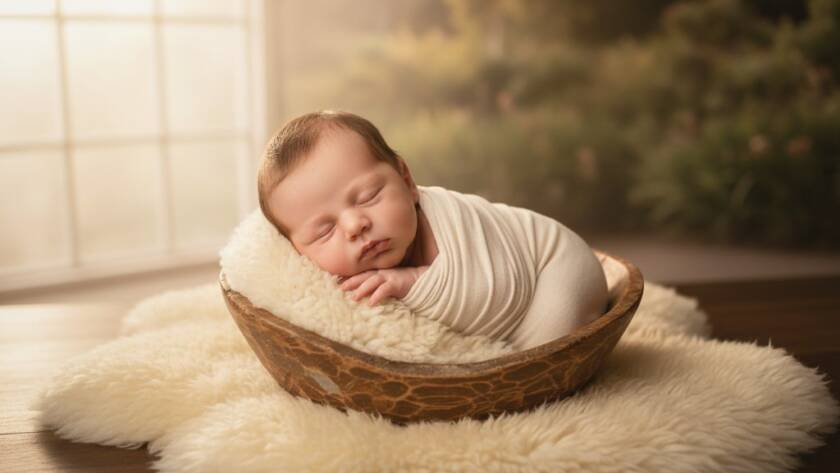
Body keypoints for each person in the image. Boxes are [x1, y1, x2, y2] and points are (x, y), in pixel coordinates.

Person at [257, 110, 608, 350]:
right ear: (296, 251)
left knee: (544, 349)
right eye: (323, 232)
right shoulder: (326, 289)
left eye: (368, 196)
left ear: (407, 180)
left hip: (553, 266)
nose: (354, 225)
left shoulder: (446, 225)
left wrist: (411, 281)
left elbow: (501, 292)